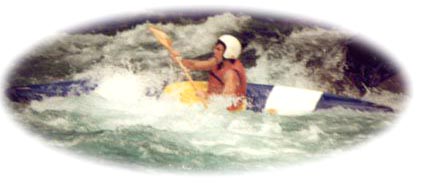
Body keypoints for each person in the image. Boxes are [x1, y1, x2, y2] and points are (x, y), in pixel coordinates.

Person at [169, 35, 247, 111]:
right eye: (215, 48)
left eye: (218, 49)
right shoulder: (217, 61)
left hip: (225, 111)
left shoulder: (231, 74)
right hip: (211, 100)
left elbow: (226, 102)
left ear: (228, 53)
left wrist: (207, 97)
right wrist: (179, 60)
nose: (214, 51)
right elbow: (194, 65)